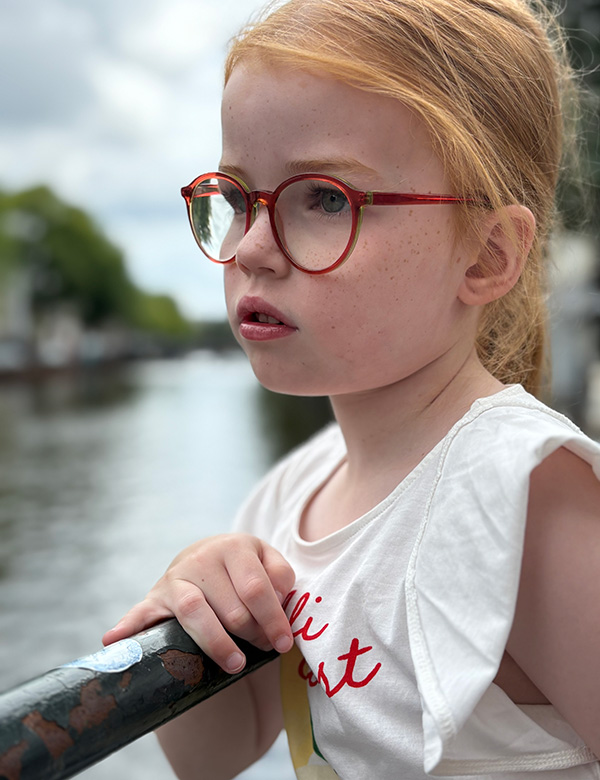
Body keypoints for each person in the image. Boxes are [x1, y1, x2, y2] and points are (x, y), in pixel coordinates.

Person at [103, 0, 600, 777]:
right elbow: (219, 755)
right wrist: (187, 603)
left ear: (487, 255)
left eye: (326, 199)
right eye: (237, 197)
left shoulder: (523, 496)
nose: (254, 249)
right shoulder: (287, 500)